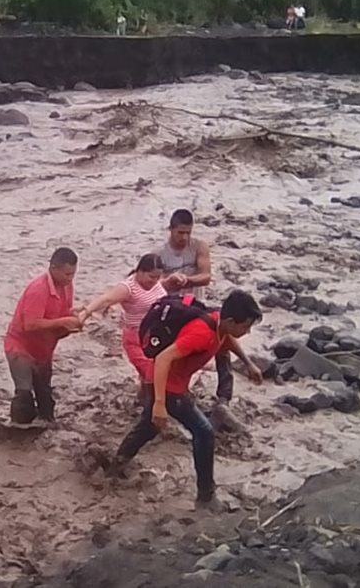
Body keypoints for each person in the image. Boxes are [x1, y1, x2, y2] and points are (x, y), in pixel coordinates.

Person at [112, 290, 264, 509]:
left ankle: (116, 465)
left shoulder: (217, 323)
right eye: (245, 327)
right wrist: (159, 403)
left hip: (164, 382)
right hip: (167, 387)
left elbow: (226, 340)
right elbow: (164, 358)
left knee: (149, 427)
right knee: (204, 432)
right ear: (231, 321)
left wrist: (248, 363)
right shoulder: (202, 333)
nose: (247, 332)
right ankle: (206, 497)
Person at [156, 209, 259, 434]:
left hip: (197, 307)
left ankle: (223, 399)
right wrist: (169, 282)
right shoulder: (160, 255)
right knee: (172, 355)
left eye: (188, 232)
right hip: (173, 311)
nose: (184, 237)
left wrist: (186, 280)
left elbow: (206, 276)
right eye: (180, 232)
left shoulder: (199, 247)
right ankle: (160, 399)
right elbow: (152, 285)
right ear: (170, 229)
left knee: (223, 337)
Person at [4, 247, 83, 424]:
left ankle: (45, 427)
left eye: (73, 274)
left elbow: (62, 313)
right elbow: (30, 324)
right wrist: (63, 322)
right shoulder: (38, 290)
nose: (70, 279)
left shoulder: (66, 286)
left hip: (43, 349)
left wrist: (73, 317)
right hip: (20, 347)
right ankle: (16, 434)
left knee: (45, 397)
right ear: (53, 269)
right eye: (67, 274)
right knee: (24, 393)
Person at [77, 253, 168, 389]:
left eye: (157, 277)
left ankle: (148, 397)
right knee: (152, 374)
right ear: (140, 271)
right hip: (136, 338)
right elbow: (106, 299)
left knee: (162, 371)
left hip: (156, 335)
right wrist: (86, 312)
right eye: (151, 277)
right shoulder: (128, 288)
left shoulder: (155, 283)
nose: (154, 281)